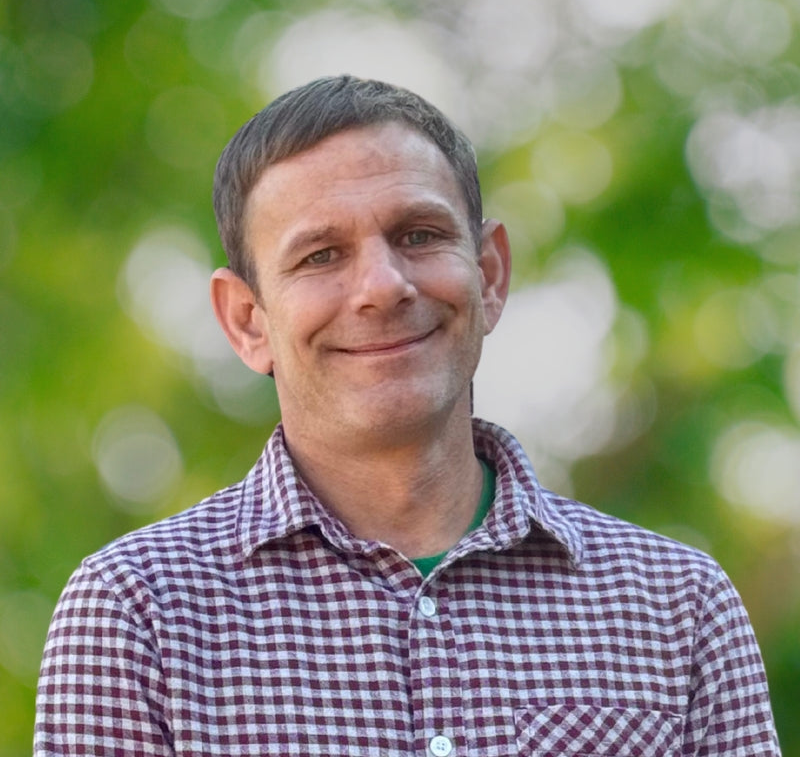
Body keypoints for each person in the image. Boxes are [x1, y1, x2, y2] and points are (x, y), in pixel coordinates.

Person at [35, 75, 781, 756]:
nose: (383, 286)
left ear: (488, 275)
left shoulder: (677, 606)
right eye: (321, 256)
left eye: (418, 236)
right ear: (247, 321)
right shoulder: (140, 615)